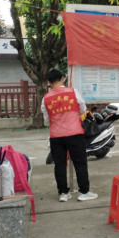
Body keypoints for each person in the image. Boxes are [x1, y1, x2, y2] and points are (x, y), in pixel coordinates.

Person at [41, 68, 98, 202]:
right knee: (80, 163)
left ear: (49, 82)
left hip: (56, 135)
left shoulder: (46, 98)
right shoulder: (73, 92)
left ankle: (63, 193)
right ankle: (84, 192)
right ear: (62, 79)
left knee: (59, 165)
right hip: (74, 133)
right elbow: (82, 109)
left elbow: (46, 121)